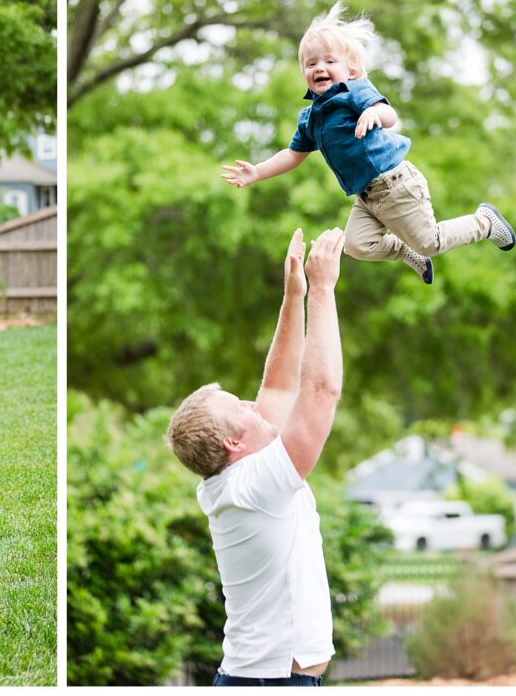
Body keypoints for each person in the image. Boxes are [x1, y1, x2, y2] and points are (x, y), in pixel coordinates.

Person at [220, 1, 516, 285]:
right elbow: (293, 154)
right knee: (356, 245)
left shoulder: (354, 91)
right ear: (304, 72)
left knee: (430, 242)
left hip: (396, 184)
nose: (319, 67)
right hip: (367, 196)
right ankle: (404, 250)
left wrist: (373, 113)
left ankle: (485, 223)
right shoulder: (310, 118)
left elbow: (389, 115)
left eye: (329, 61)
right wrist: (257, 172)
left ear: (350, 70)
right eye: (311, 63)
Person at [166, 227, 346, 687]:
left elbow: (280, 385)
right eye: (239, 407)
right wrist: (323, 289)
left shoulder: (239, 476)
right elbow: (319, 392)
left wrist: (293, 297)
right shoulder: (255, 485)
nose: (251, 404)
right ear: (232, 442)